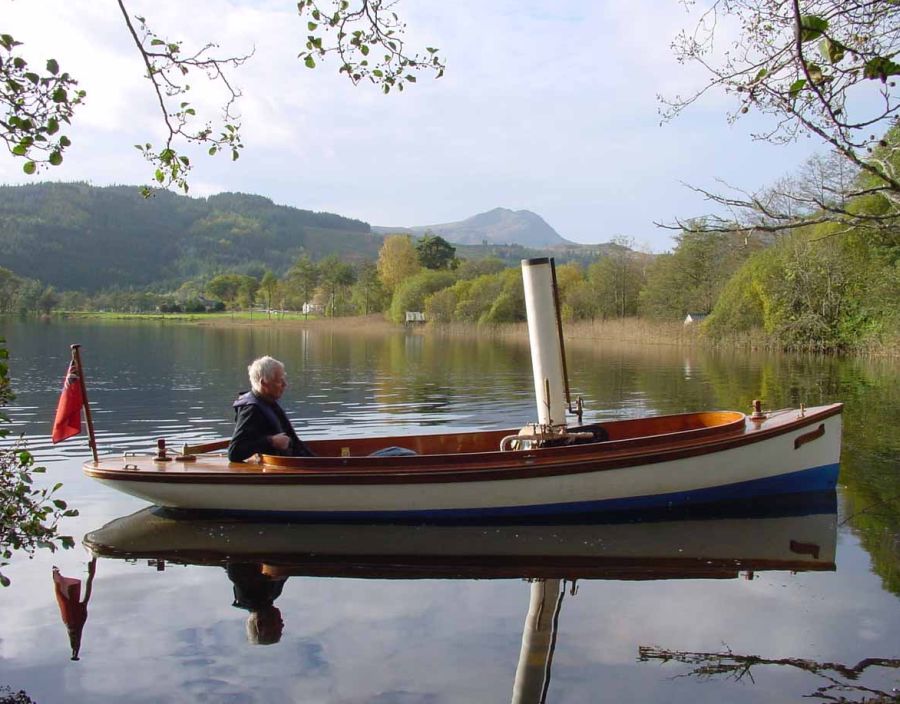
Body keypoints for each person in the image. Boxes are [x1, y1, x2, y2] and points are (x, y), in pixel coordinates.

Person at [228, 356, 315, 462]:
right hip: (277, 471)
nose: (285, 384)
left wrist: (318, 461)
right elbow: (234, 452)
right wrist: (271, 441)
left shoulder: (268, 402)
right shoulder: (251, 410)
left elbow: (294, 441)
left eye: (284, 380)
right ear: (264, 383)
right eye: (279, 381)